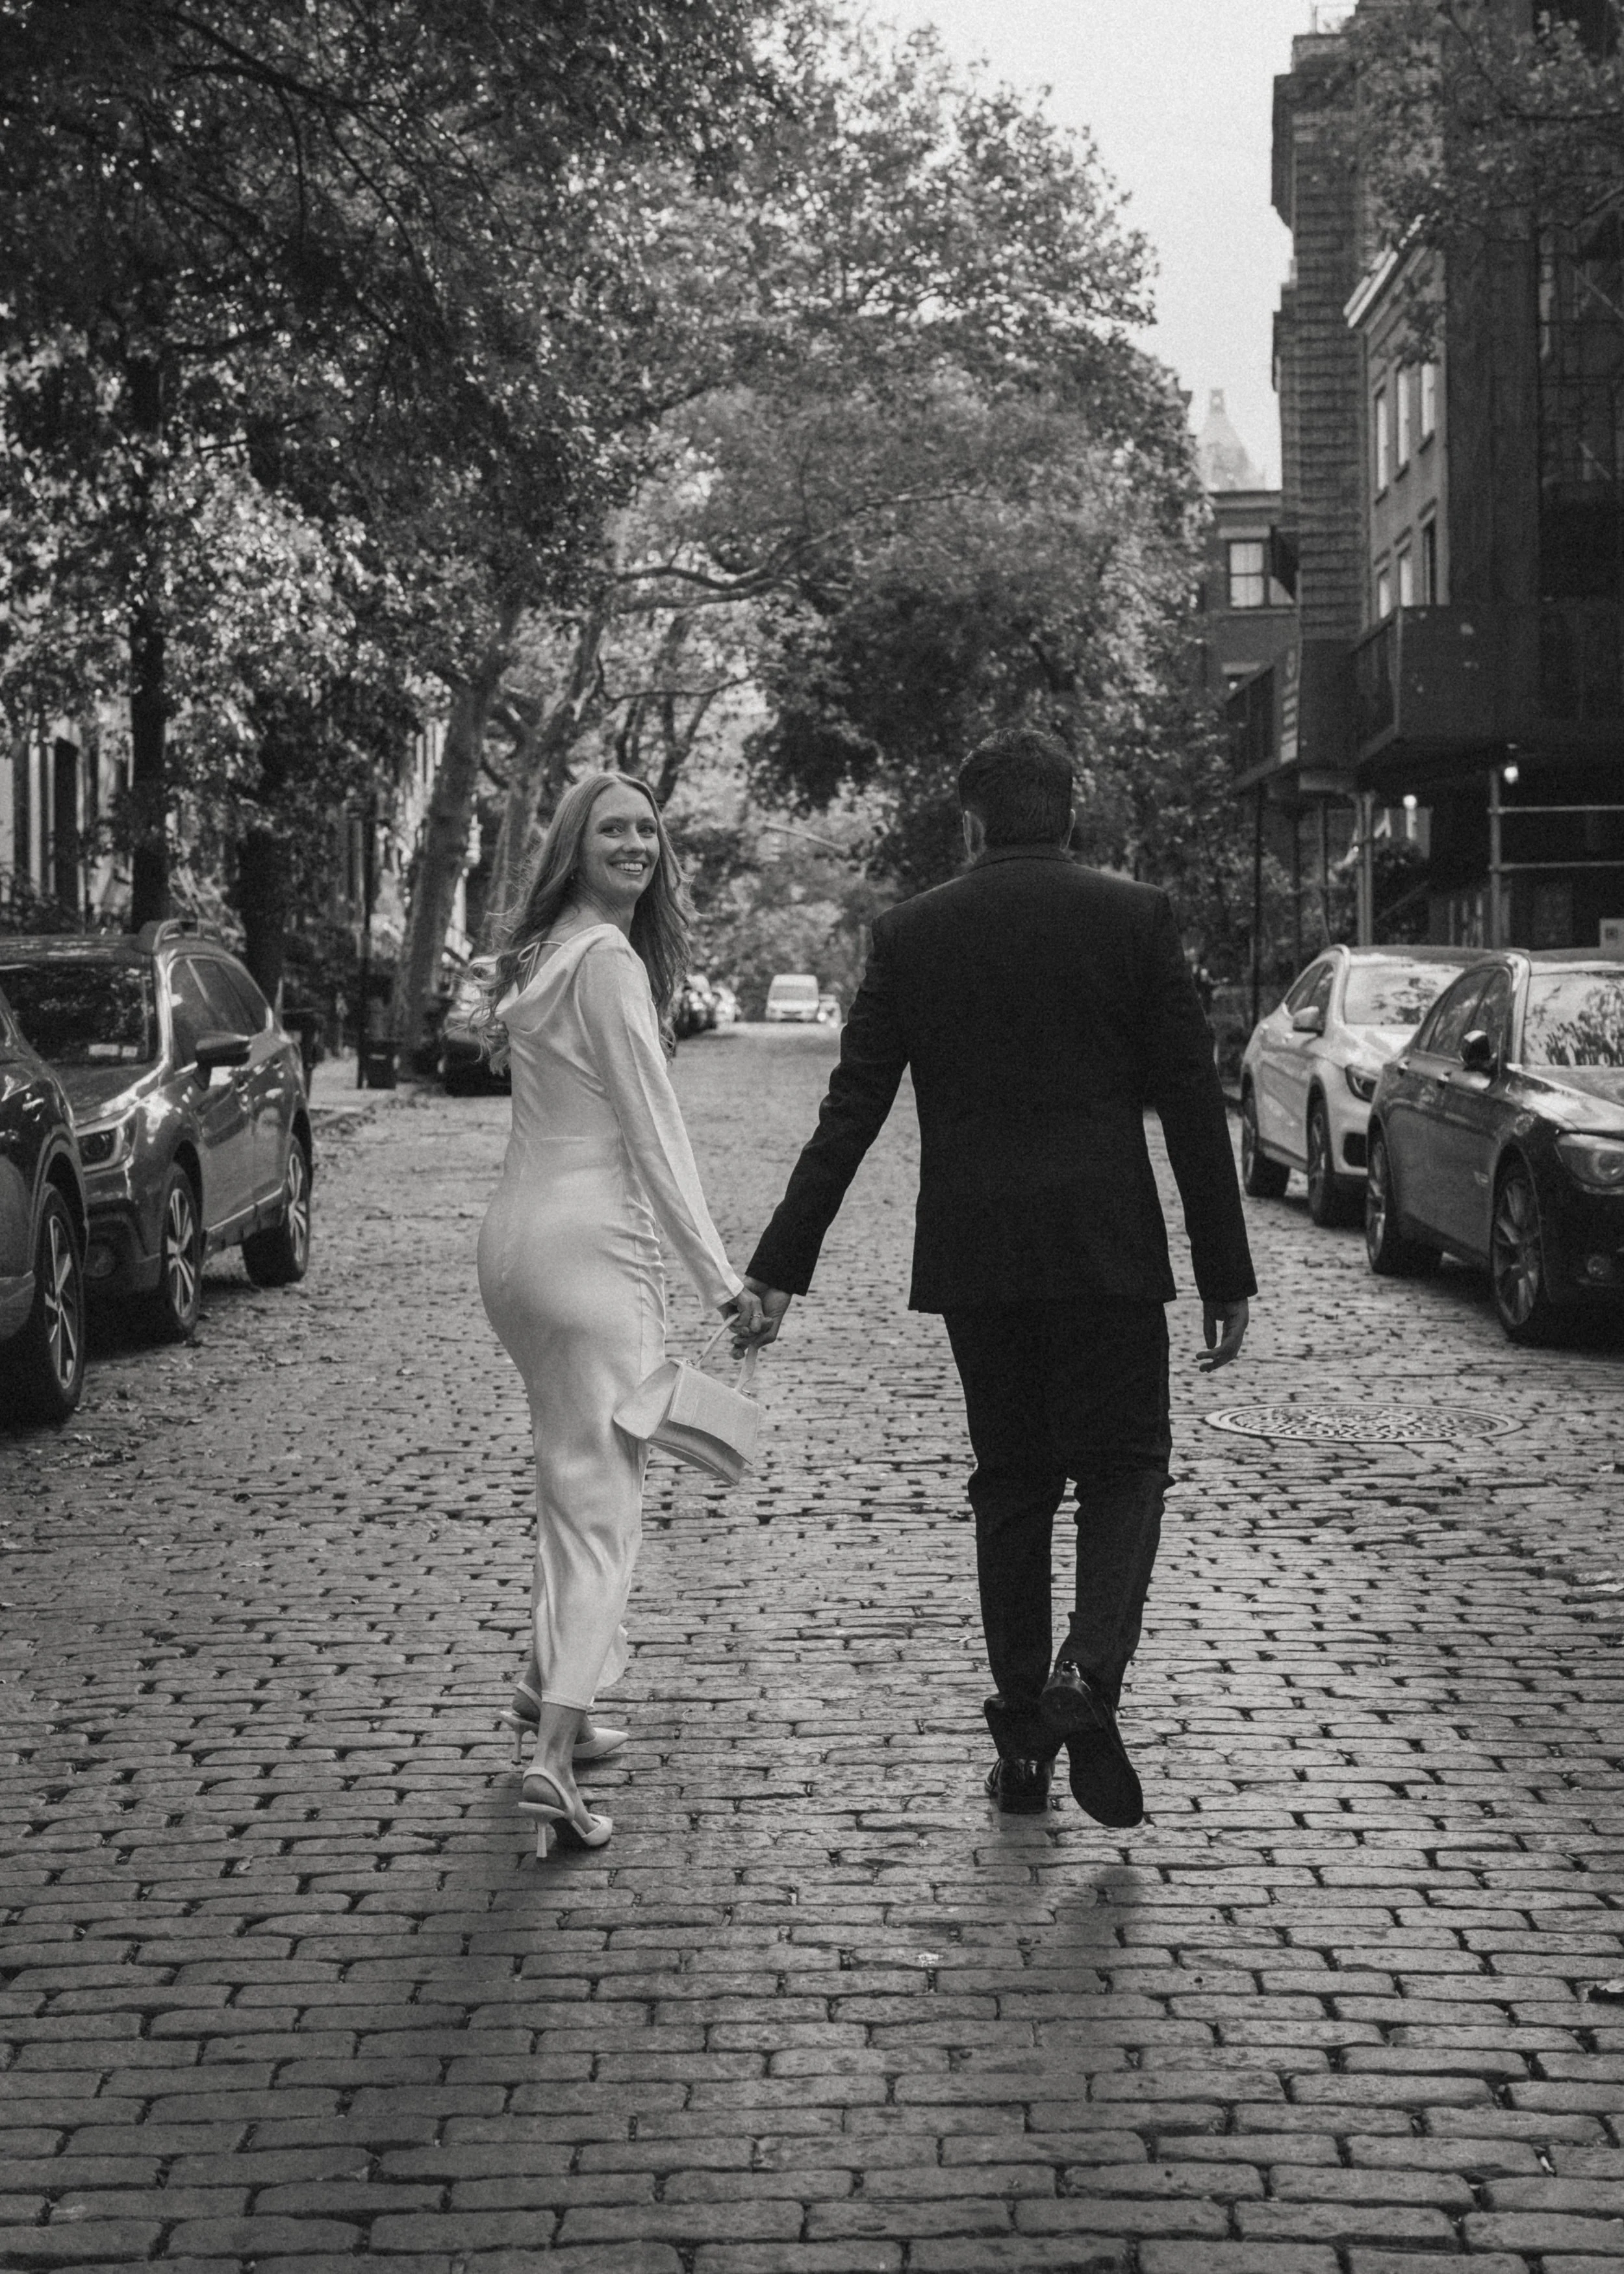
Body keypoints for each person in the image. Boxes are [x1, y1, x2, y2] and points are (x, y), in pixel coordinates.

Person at [741, 728, 1256, 1829]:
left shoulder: (913, 933)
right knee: (1126, 1466)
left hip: (979, 1259)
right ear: (1071, 814)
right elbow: (1194, 1104)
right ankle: (1087, 1673)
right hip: (1108, 1250)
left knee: (1012, 1485)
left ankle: (1025, 1742)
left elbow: (854, 1110)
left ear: (969, 824)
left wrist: (782, 1265)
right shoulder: (1136, 917)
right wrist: (1225, 1268)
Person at [476, 772, 762, 1858]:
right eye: (614, 830)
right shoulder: (606, 962)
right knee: (605, 1510)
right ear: (576, 845)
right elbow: (655, 1134)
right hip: (590, 1252)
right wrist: (720, 1279)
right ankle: (551, 1761)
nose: (637, 844)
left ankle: (561, 1695)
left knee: (567, 1476)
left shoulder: (550, 950)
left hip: (517, 1248)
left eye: (649, 829)